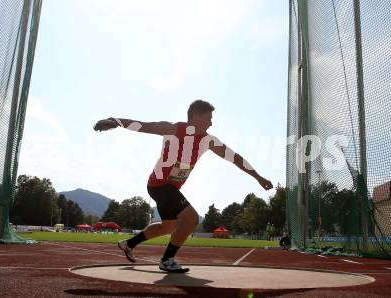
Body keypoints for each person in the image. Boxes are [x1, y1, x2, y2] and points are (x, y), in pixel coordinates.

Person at [93, 99, 273, 273]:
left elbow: (235, 158)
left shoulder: (208, 140)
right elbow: (142, 125)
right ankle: (167, 260)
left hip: (167, 188)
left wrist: (257, 176)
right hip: (159, 184)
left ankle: (129, 244)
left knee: (169, 227)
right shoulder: (172, 129)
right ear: (195, 117)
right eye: (208, 119)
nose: (211, 124)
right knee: (192, 219)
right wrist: (114, 121)